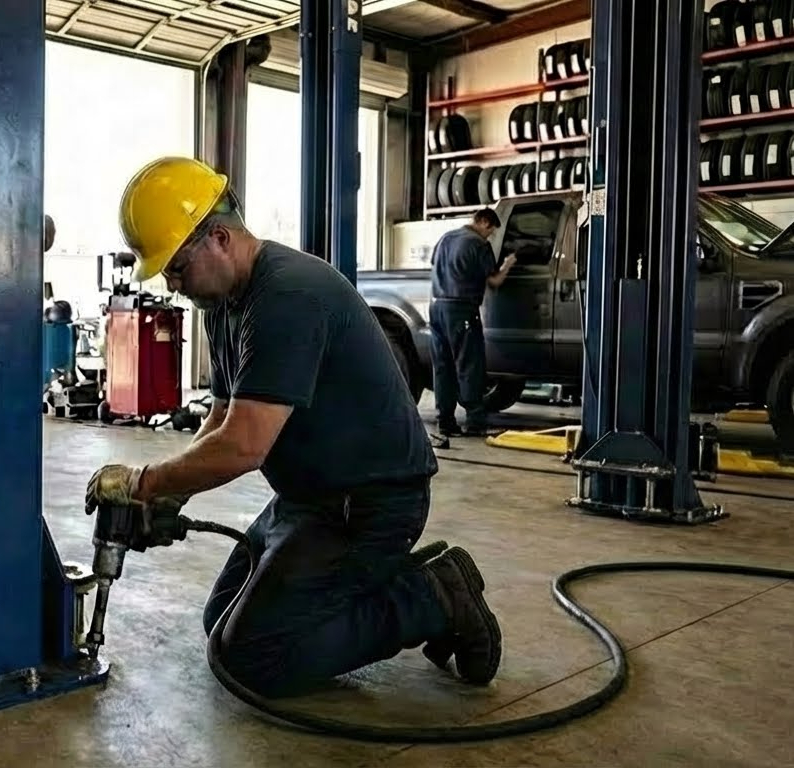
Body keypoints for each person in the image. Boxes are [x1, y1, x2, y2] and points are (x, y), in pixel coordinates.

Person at [83, 156, 502, 698]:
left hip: (369, 507)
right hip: (309, 500)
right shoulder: (224, 302)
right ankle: (397, 583)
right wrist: (171, 495)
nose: (173, 282)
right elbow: (223, 418)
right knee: (221, 623)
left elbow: (244, 446)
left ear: (218, 238)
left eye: (178, 267)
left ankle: (432, 596)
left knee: (252, 658)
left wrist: (144, 482)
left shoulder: (286, 296)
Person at [428, 209, 516, 437]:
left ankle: (445, 422)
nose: (489, 237)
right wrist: (507, 264)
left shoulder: (446, 238)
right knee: (469, 366)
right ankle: (475, 422)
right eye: (490, 231)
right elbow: (495, 281)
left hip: (436, 307)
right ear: (483, 222)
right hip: (461, 310)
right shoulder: (478, 244)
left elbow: (435, 266)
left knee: (443, 367)